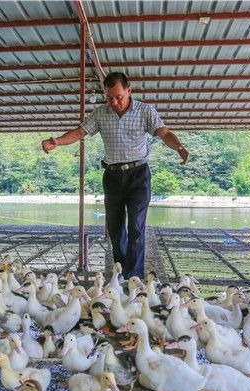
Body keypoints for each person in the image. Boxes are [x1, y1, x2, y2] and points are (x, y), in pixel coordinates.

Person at [41, 72, 189, 279]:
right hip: (112, 177)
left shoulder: (145, 111)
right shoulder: (101, 113)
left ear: (129, 90)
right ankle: (120, 271)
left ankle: (134, 276)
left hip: (138, 175)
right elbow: (79, 132)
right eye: (109, 97)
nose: (114, 101)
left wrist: (179, 147)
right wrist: (57, 141)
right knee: (115, 229)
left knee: (136, 226)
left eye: (119, 96)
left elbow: (164, 133)